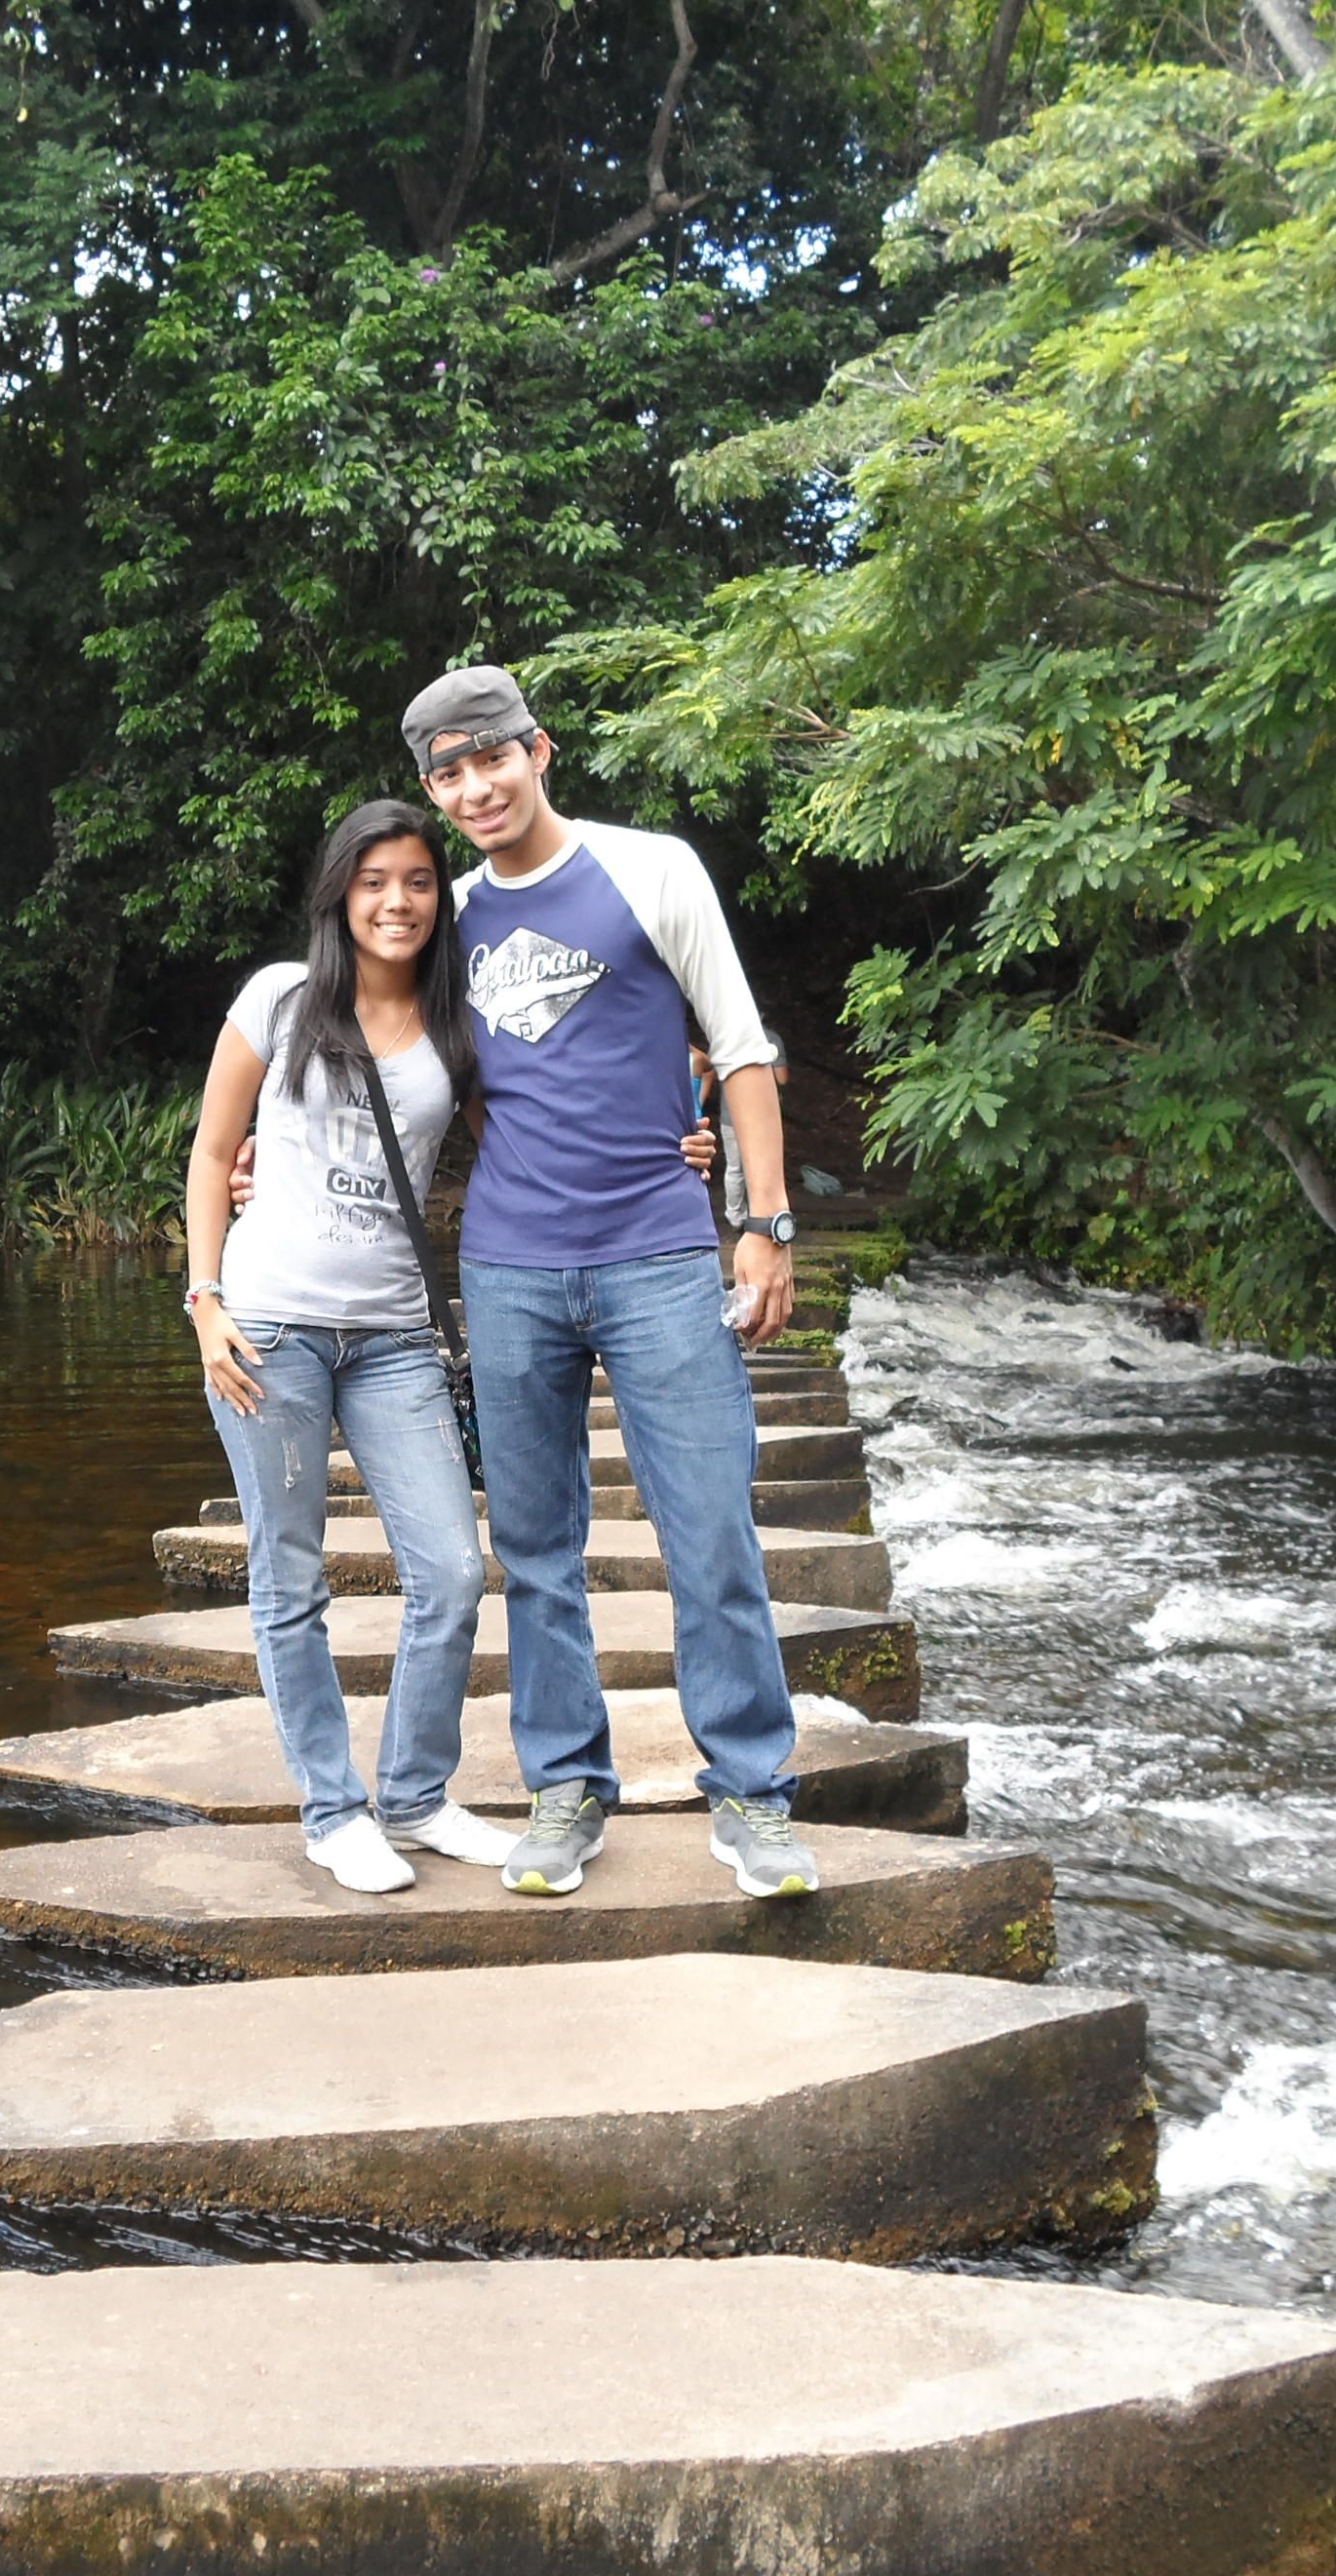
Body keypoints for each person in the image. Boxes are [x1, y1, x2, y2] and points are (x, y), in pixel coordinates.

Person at [401, 663, 822, 1901]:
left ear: (540, 752)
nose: (476, 787)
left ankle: (751, 1793)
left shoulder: (651, 869)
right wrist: (262, 1156)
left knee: (711, 1532)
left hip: (660, 1258)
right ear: (433, 790)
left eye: (493, 757)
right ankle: (568, 1788)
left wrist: (763, 1222)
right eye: (448, 773)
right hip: (510, 1268)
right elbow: (398, 1067)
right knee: (536, 1551)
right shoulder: (446, 918)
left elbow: (739, 1049)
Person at [180, 802, 520, 1891]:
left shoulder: (456, 1026)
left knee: (453, 1574)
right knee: (289, 1578)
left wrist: (677, 1146)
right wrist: (205, 1301)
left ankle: (413, 1797)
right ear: (340, 894)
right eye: (374, 881)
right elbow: (213, 1153)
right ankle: (332, 1811)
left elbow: (529, 1143)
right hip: (267, 1330)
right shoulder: (279, 1000)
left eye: (418, 881)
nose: (396, 902)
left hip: (395, 1336)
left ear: (438, 900)